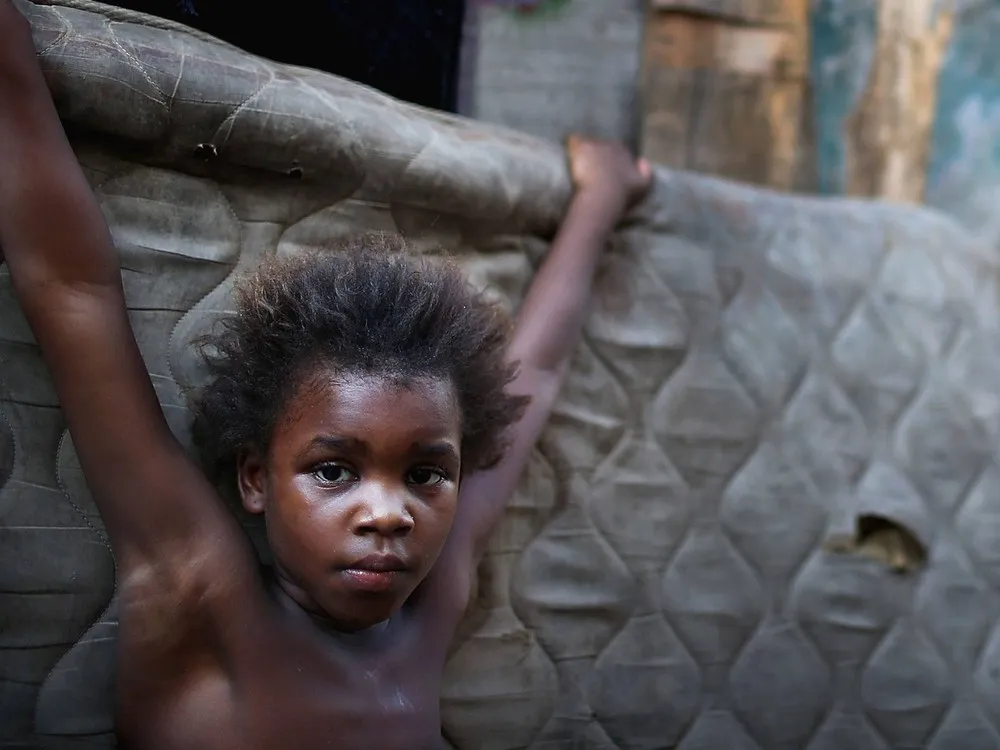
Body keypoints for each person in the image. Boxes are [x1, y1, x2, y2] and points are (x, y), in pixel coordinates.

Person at [0, 2, 652, 748]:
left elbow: (532, 370)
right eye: (335, 471)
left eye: (426, 475)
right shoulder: (202, 593)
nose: (389, 513)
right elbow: (72, 287)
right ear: (254, 478)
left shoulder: (430, 612)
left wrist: (600, 198)